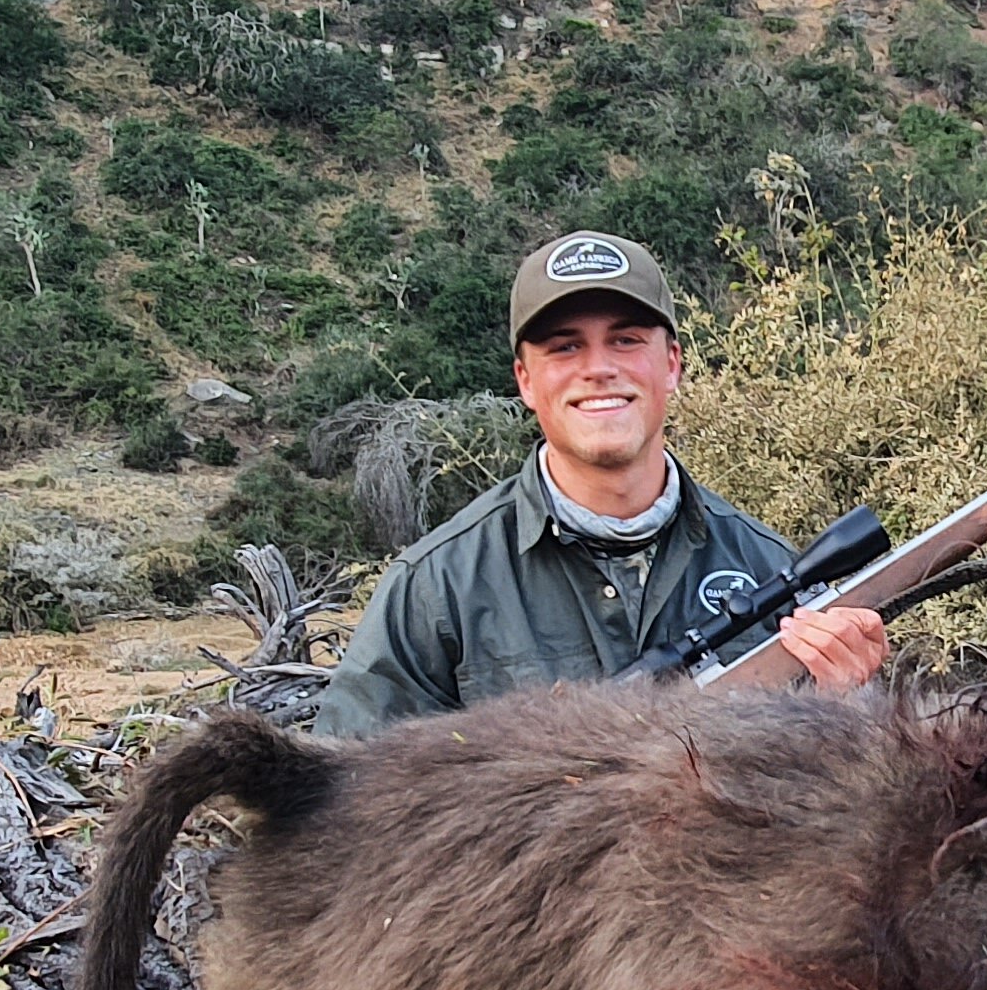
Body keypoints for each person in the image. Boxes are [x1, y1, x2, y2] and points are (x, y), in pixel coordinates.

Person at [317, 233, 886, 739]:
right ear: (525, 380)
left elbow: (826, 810)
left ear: (672, 365)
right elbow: (344, 806)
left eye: (626, 340)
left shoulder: (770, 569)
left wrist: (847, 710)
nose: (598, 369)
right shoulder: (436, 588)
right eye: (565, 346)